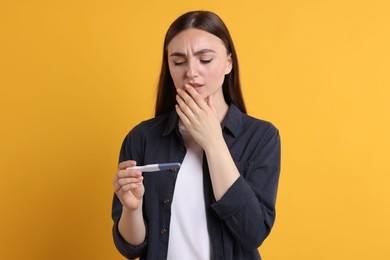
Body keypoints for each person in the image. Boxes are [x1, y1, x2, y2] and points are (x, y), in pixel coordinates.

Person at [111, 10, 281, 260]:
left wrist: (213, 142)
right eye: (178, 62)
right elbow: (130, 247)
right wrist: (131, 208)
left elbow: (253, 232)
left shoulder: (261, 137)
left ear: (228, 63)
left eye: (205, 59)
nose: (191, 71)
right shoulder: (142, 137)